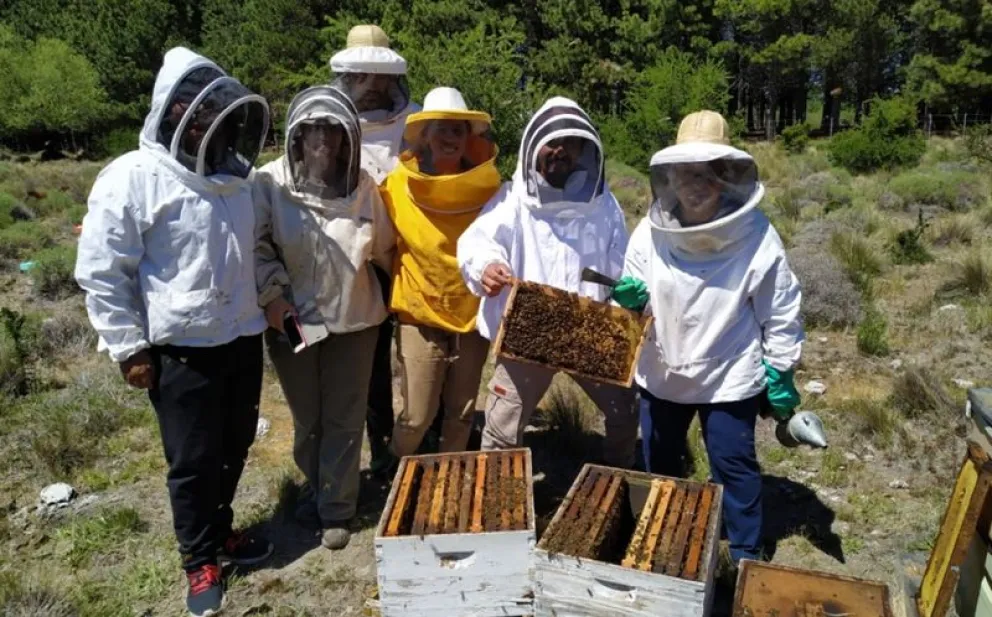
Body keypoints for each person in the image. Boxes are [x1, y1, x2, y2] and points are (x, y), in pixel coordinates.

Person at [74, 47, 272, 617]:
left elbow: (250, 253)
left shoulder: (238, 178)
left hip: (241, 335)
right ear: (172, 109)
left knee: (235, 444)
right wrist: (129, 347)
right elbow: (103, 269)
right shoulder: (132, 178)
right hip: (180, 349)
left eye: (214, 109)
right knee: (192, 460)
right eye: (194, 107)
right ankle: (199, 561)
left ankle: (222, 529)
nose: (208, 120)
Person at [614, 110, 804, 563]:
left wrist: (780, 370)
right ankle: (667, 542)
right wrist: (629, 298)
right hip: (663, 371)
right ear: (670, 179)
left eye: (707, 174)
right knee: (661, 466)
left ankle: (745, 555)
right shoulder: (650, 231)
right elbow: (634, 294)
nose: (695, 184)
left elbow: (780, 308)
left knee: (734, 467)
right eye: (685, 174)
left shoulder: (757, 234)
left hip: (728, 373)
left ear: (726, 177)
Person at [457, 96, 639, 469]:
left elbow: (623, 263)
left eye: (570, 144)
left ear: (584, 149)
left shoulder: (603, 204)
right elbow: (477, 242)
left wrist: (626, 293)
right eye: (552, 143)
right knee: (503, 425)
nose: (560, 151)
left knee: (625, 408)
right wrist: (487, 266)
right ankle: (498, 496)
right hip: (529, 327)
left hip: (590, 327)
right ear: (534, 147)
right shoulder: (512, 199)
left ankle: (618, 481)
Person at [253, 85, 395, 551]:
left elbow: (386, 249)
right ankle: (317, 488)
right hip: (295, 319)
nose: (324, 142)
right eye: (314, 132)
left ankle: (337, 508)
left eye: (333, 133)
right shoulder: (268, 185)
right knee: (308, 414)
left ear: (347, 139)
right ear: (296, 137)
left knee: (345, 415)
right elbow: (258, 249)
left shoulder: (364, 186)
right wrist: (274, 297)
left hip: (354, 320)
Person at [381, 87, 502, 457]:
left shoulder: (491, 187)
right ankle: (396, 471)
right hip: (419, 311)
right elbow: (383, 246)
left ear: (469, 138)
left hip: (473, 311)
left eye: (458, 130)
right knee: (417, 415)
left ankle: (450, 477)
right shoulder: (397, 185)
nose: (451, 138)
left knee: (462, 412)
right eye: (443, 129)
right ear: (426, 135)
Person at [330, 24, 424, 475]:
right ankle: (380, 441)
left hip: (411, 255)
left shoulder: (418, 120)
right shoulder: (330, 119)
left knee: (419, 352)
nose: (370, 85)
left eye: (377, 74)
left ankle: (422, 433)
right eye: (360, 75)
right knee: (367, 361)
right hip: (356, 258)